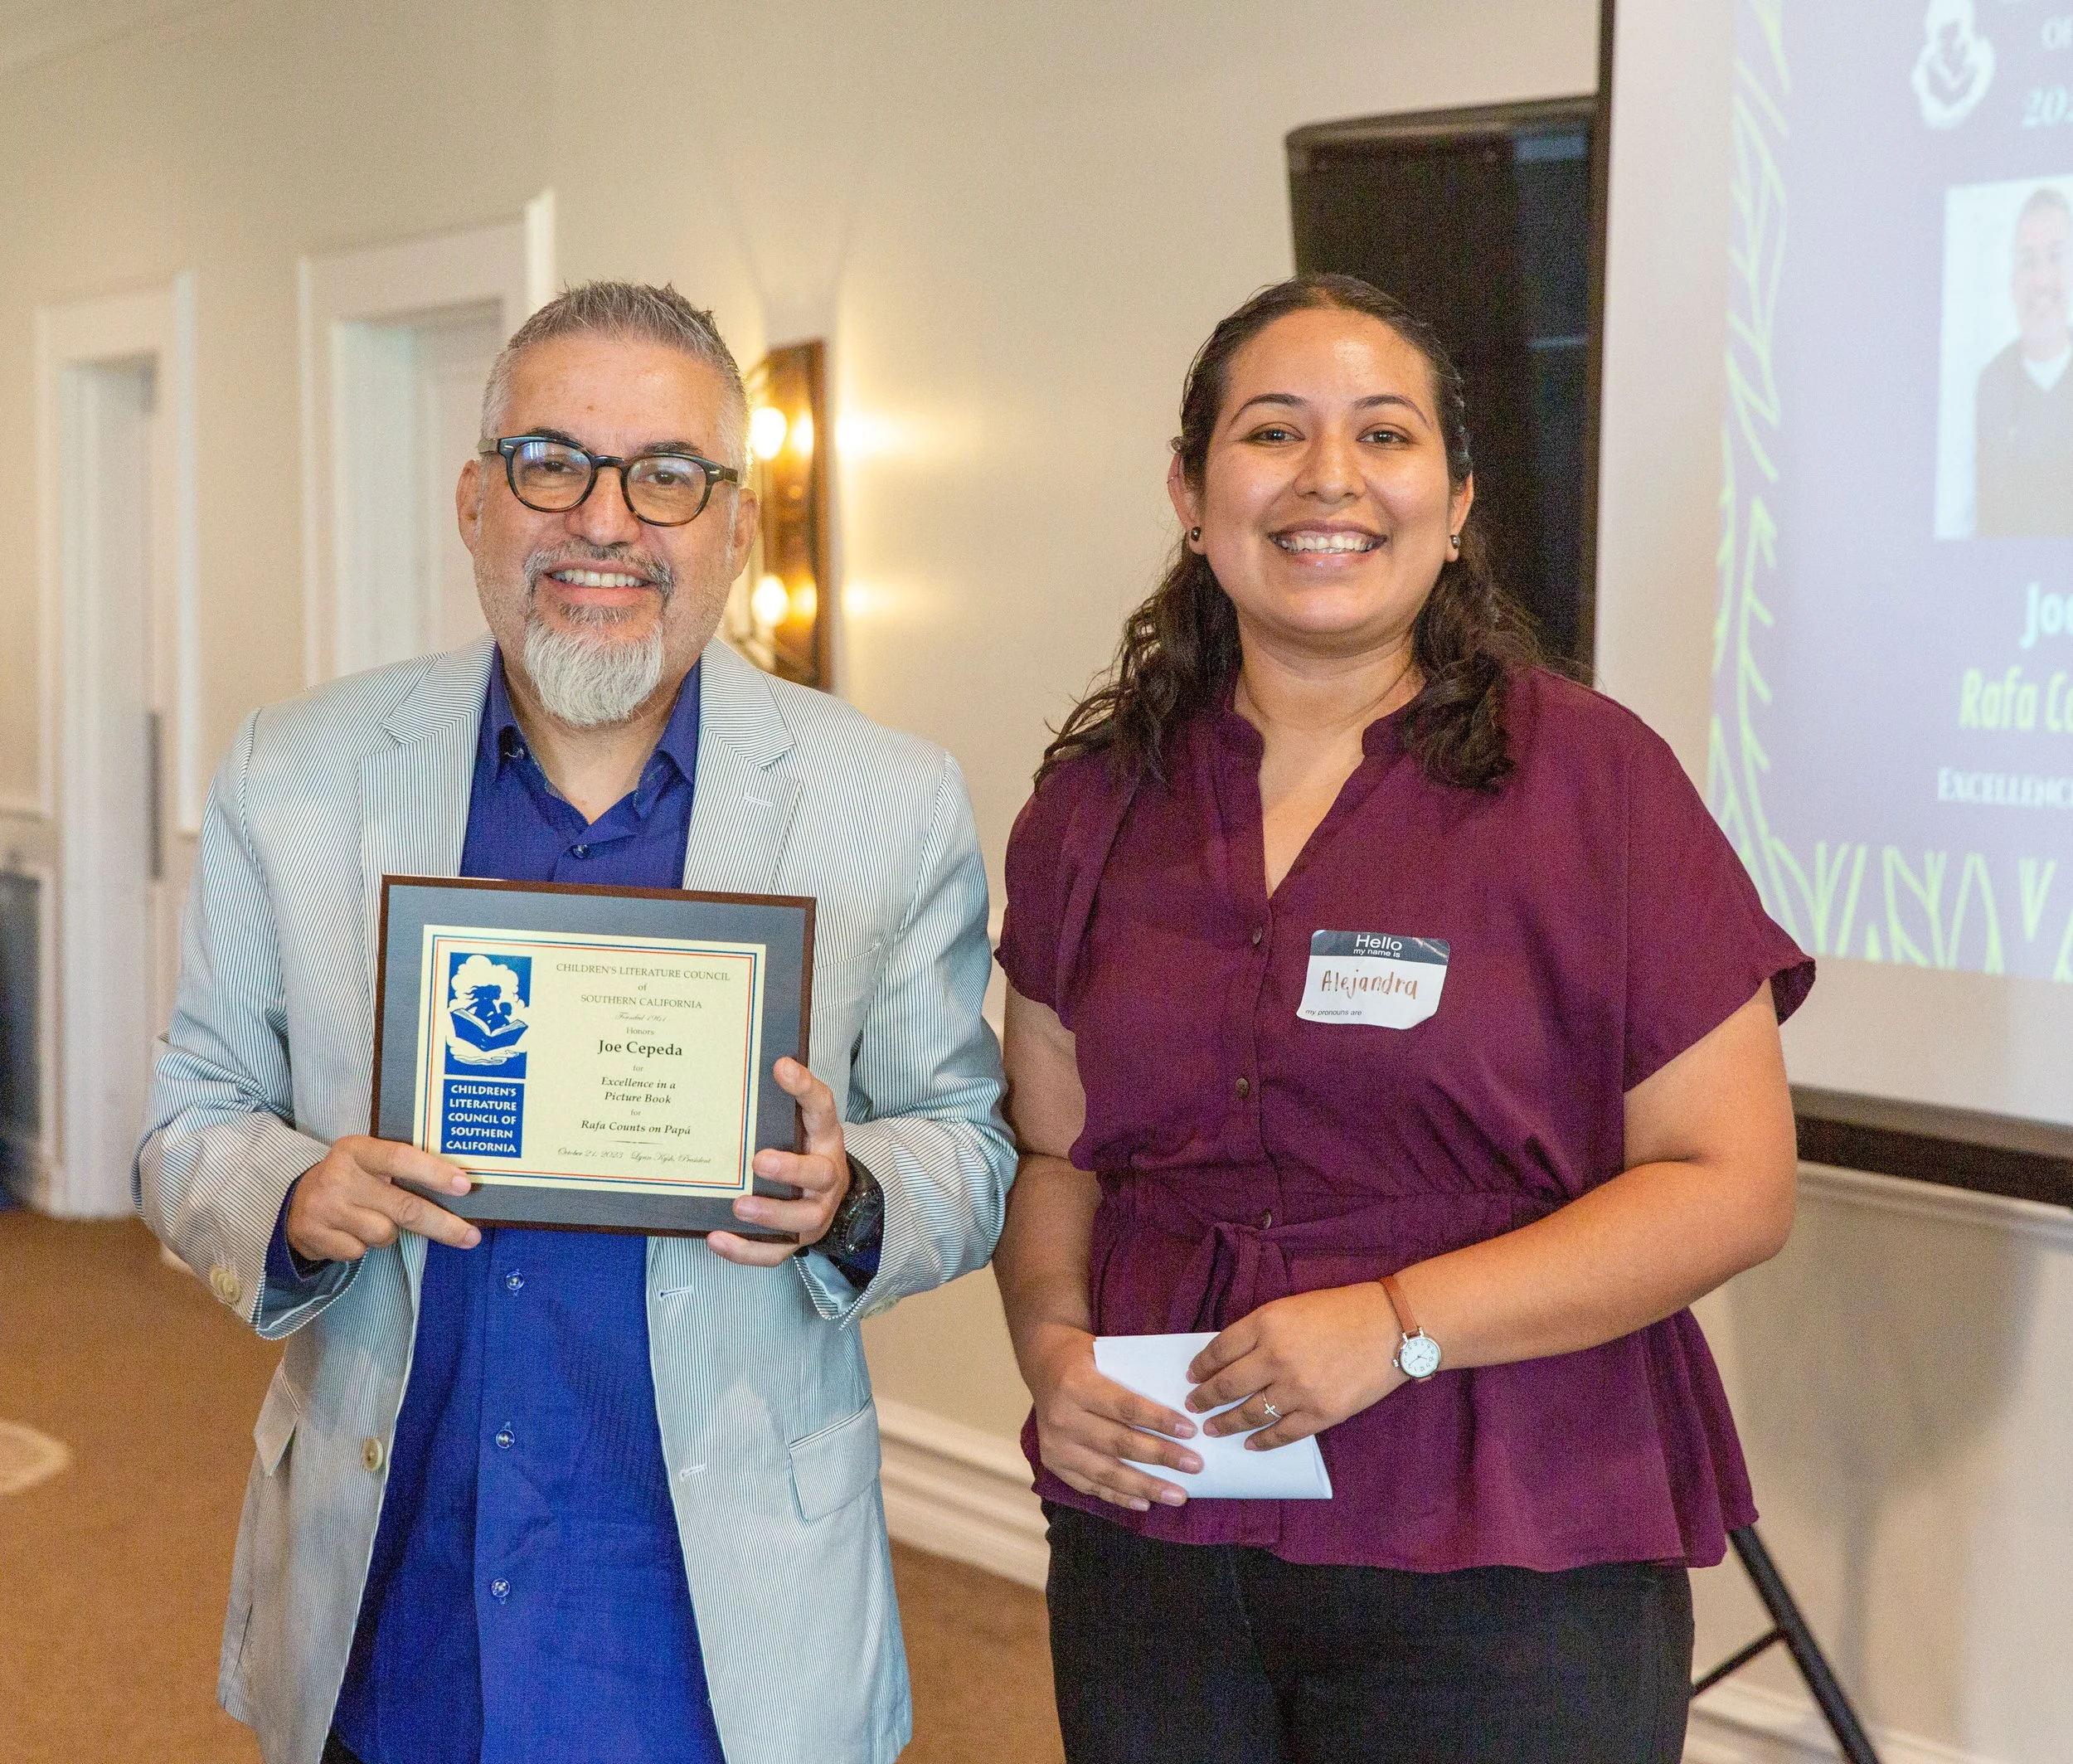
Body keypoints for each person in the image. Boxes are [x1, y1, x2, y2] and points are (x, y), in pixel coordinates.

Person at [135, 282, 1012, 1764]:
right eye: (552, 462)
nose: (605, 518)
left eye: (667, 476)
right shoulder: (296, 770)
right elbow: (188, 1116)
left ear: (733, 525)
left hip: (709, 1620)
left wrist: (854, 1197)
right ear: (476, 501)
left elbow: (972, 1145)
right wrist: (289, 1190)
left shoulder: (886, 800)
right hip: (394, 1597)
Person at [991, 273, 1812, 1763]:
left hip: (1516, 1541)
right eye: (1271, 434)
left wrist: (1396, 1327)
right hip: (1160, 1533)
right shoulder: (1093, 806)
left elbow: (1734, 1182)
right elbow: (1056, 1159)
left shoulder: (1595, 783)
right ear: (1192, 492)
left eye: (1384, 435)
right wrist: (1052, 1344)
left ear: (1455, 498)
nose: (1329, 481)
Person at [1976, 186, 2073, 538]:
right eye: (2028, 261)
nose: (2042, 280)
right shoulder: (1991, 387)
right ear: (2012, 283)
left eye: (2056, 256)